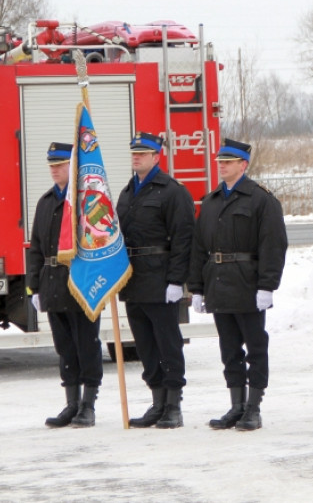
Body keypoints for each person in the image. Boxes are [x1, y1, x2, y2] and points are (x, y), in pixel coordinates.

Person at [188, 138, 288, 432]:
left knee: (256, 347)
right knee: (229, 349)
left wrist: (267, 286)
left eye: (228, 162)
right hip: (218, 283)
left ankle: (254, 407)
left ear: (243, 165)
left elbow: (273, 245)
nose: (222, 165)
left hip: (248, 284)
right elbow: (198, 247)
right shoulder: (211, 201)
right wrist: (196, 287)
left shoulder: (261, 199)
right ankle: (236, 405)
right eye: (220, 161)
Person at [116, 132, 196, 429]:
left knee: (167, 343)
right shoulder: (127, 193)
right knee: (146, 345)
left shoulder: (172, 191)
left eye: (143, 152)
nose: (136, 156)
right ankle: (157, 402)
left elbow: (184, 238)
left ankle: (174, 405)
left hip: (161, 278)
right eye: (134, 152)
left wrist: (177, 280)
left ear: (157, 156)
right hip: (133, 280)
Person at [27, 142, 103, 428]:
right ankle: (71, 403)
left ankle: (88, 404)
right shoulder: (46, 202)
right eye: (51, 165)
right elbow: (36, 249)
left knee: (87, 345)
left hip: (81, 284)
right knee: (65, 347)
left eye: (59, 165)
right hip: (53, 285)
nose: (54, 170)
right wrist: (34, 287)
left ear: (72, 167)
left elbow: (99, 241)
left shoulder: (87, 202)